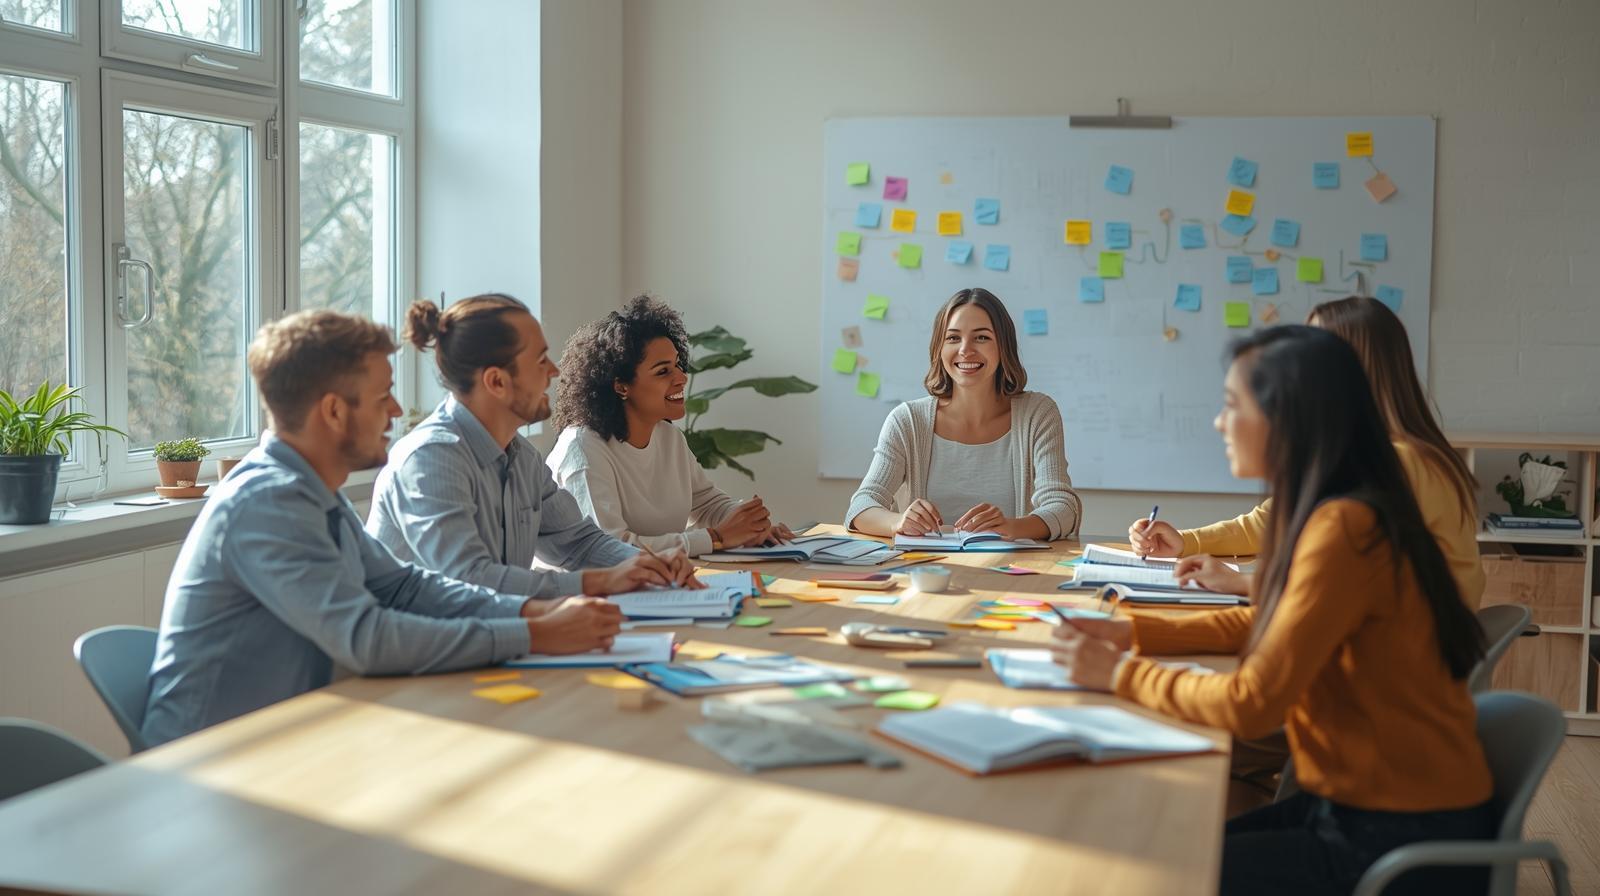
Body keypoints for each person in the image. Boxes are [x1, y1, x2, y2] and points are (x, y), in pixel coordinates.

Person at [1053, 325, 1492, 896]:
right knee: (1160, 851)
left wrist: (1119, 673)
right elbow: (1267, 621)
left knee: (1154, 873)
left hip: (1401, 836)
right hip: (1361, 807)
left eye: (1232, 404)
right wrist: (1130, 630)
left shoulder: (1346, 527)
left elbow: (1251, 703)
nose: (1219, 422)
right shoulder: (1340, 508)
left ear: (1290, 417)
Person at [143, 311, 622, 748]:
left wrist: (535, 612)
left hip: (284, 742)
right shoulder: (269, 503)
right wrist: (532, 633)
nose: (396, 410)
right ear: (333, 411)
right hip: (206, 766)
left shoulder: (310, 491)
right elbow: (366, 639)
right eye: (382, 396)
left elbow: (405, 587)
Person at [1127, 296, 1484, 609]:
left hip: (1413, 654)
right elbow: (1273, 521)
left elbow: (1345, 591)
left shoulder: (1400, 463)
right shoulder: (1368, 453)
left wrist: (1243, 583)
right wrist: (1187, 542)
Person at [368, 294, 696, 595]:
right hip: (426, 641)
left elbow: (579, 542)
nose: (554, 371)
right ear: (496, 381)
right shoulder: (430, 460)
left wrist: (646, 565)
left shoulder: (522, 457)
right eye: (540, 360)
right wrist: (597, 581)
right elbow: (471, 581)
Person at [545, 296, 790, 556]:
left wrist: (751, 526)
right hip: (592, 582)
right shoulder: (583, 449)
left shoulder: (669, 437)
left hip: (656, 577)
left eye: (677, 365)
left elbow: (707, 504)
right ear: (621, 387)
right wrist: (716, 538)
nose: (682, 378)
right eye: (663, 371)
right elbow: (610, 549)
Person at [846, 287, 1081, 540]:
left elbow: (1064, 508)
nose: (965, 350)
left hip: (1009, 564)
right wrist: (898, 522)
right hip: (926, 564)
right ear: (939, 348)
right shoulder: (907, 421)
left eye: (981, 338)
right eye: (953, 338)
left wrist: (1011, 527)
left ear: (1003, 346)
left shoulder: (1038, 414)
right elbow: (861, 507)